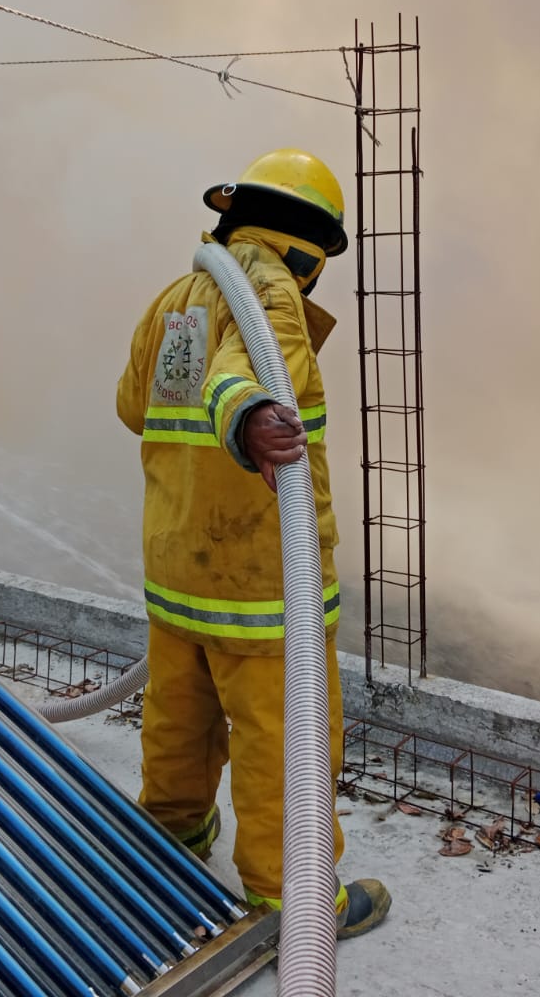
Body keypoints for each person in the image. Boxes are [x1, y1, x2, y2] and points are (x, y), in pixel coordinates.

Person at [115, 146, 391, 938]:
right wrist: (249, 417)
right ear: (311, 251)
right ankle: (290, 898)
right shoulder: (273, 291)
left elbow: (133, 407)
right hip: (263, 582)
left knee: (179, 719)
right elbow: (245, 377)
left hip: (177, 571)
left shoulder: (178, 299)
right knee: (286, 744)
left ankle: (173, 837)